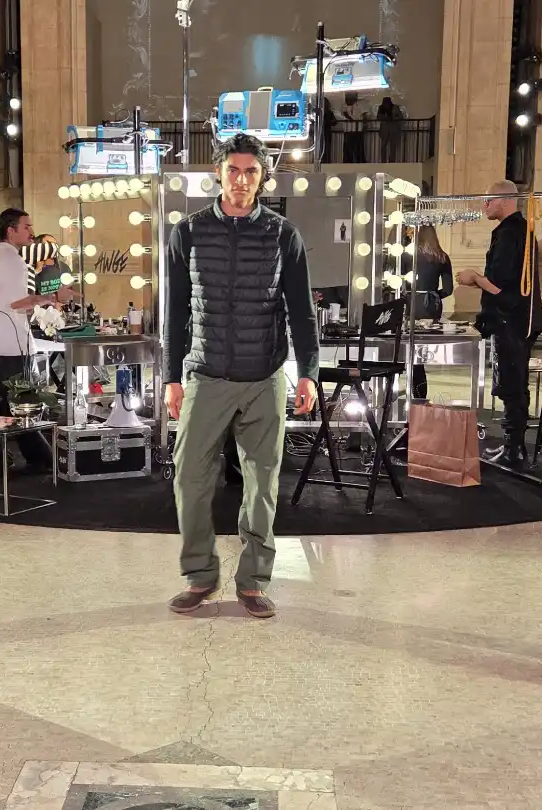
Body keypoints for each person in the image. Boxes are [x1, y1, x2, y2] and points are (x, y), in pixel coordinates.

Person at [162, 133, 320, 620]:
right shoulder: (187, 232)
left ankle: (252, 582)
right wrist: (171, 375)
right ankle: (200, 575)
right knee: (190, 478)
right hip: (206, 376)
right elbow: (177, 312)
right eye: (233, 170)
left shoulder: (283, 235)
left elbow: (302, 311)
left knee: (263, 482)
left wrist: (308, 374)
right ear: (218, 173)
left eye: (251, 172)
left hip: (264, 376)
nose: (241, 180)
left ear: (263, 177)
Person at [0, 208, 70, 475]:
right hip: (11, 345)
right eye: (26, 227)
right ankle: (41, 457)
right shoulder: (14, 262)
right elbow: (18, 303)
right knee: (25, 403)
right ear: (11, 230)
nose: (31, 232)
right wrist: (49, 298)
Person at [456, 180, 542, 468]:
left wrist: (474, 278)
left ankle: (513, 448)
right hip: (519, 320)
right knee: (515, 382)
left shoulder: (509, 234)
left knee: (511, 383)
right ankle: (513, 445)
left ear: (504, 201)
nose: (484, 206)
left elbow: (499, 286)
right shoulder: (521, 231)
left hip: (511, 321)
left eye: (488, 200)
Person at [408, 225, 454, 399]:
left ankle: (413, 392)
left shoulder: (408, 256)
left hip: (411, 302)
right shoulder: (442, 257)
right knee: (420, 354)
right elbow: (448, 290)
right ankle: (420, 395)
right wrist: (434, 295)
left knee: (408, 349)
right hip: (432, 306)